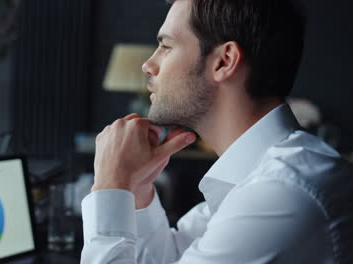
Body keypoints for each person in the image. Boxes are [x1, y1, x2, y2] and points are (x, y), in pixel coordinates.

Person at [81, 0, 353, 263]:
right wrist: (135, 189)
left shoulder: (280, 196)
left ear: (224, 61)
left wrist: (110, 187)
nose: (148, 65)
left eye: (165, 46)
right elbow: (171, 258)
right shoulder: (254, 181)